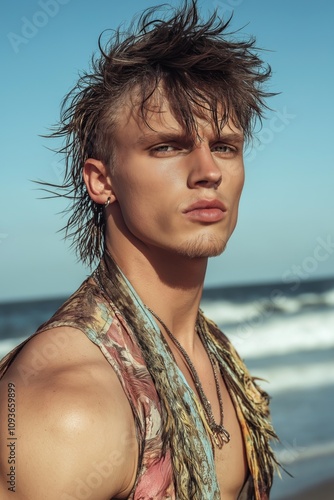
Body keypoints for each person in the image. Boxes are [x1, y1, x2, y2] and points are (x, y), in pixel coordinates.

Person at [0, 1, 280, 498]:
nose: (208, 171)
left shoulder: (216, 360)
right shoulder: (63, 406)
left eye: (224, 146)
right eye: (167, 146)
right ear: (102, 181)